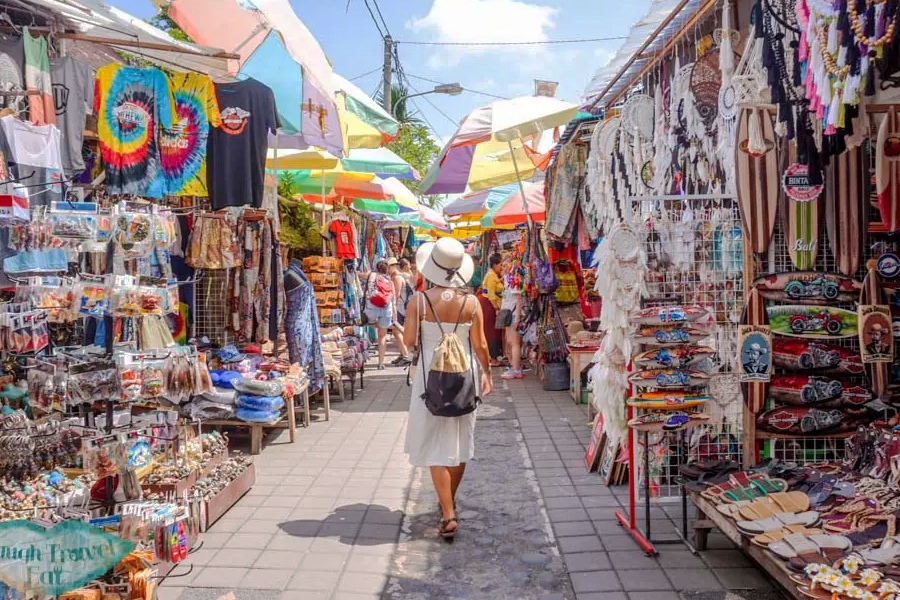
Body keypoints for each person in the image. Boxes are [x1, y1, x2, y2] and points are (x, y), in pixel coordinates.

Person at [403, 238, 493, 540]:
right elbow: (481, 345)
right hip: (464, 375)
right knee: (459, 440)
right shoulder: (472, 303)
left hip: (430, 378)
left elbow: (409, 341)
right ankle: (448, 502)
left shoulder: (418, 301)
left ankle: (448, 512)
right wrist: (487, 373)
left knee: (434, 444)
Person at [364, 260, 408, 369]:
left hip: (372, 309)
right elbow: (393, 300)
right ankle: (381, 363)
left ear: (377, 269)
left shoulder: (373, 276)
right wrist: (394, 316)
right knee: (382, 336)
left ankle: (404, 354)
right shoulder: (390, 281)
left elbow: (368, 289)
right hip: (386, 309)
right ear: (387, 269)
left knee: (368, 324)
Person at [478, 253, 504, 366]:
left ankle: (493, 356)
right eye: (500, 265)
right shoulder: (491, 276)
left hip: (490, 305)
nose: (501, 267)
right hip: (490, 306)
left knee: (493, 331)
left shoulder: (493, 275)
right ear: (494, 265)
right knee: (491, 331)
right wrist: (496, 308)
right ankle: (493, 358)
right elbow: (491, 294)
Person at [389, 258, 414, 367]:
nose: (387, 270)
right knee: (397, 330)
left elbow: (397, 295)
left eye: (388, 267)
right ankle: (402, 354)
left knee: (397, 331)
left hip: (399, 308)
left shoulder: (397, 278)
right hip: (401, 307)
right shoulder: (398, 276)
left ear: (393, 267)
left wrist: (393, 308)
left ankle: (405, 355)